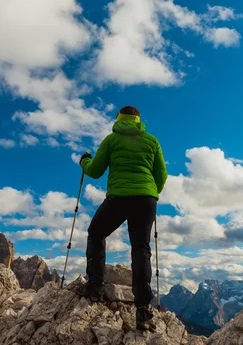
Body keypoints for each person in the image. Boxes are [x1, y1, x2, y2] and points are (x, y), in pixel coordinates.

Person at [78, 105, 167, 331]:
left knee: (96, 233)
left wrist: (84, 161)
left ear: (119, 118)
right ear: (138, 120)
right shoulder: (152, 141)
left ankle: (95, 287)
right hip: (146, 199)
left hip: (119, 198)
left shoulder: (111, 140)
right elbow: (161, 175)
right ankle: (143, 309)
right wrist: (149, 192)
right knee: (141, 247)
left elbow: (95, 171)